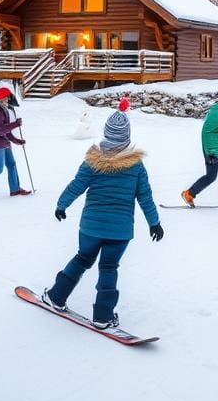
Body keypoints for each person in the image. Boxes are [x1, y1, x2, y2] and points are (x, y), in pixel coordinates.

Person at [42, 100, 162, 329]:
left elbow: (76, 185)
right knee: (108, 268)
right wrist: (154, 223)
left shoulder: (92, 161)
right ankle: (103, 316)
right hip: (120, 231)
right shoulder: (136, 166)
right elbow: (145, 196)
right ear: (127, 138)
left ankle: (56, 296)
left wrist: (61, 205)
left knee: (82, 259)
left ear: (106, 135)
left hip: (91, 228)